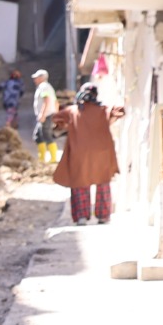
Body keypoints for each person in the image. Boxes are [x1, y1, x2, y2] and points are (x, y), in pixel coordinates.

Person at [53, 83, 122, 222]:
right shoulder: (103, 110)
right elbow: (119, 111)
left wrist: (66, 125)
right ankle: (103, 216)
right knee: (103, 183)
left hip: (79, 153)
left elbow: (56, 118)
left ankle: (81, 216)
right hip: (101, 153)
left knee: (80, 183)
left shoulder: (73, 111)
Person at [30, 70, 60, 166]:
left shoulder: (44, 87)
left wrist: (42, 115)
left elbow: (46, 100)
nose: (35, 80)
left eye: (36, 78)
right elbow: (56, 102)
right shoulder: (48, 87)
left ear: (41, 78)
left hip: (46, 115)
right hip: (47, 115)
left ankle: (53, 158)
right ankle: (42, 158)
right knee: (38, 136)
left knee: (46, 135)